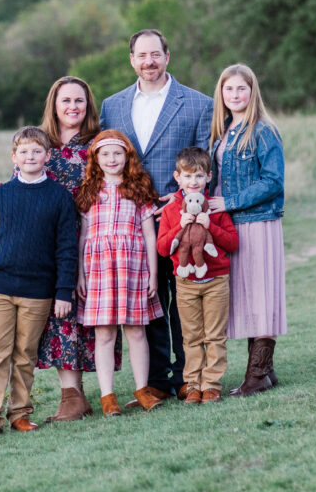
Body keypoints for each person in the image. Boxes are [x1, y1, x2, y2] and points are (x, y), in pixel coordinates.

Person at [0, 76, 121, 423]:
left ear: (88, 105)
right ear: (54, 105)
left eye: (79, 100)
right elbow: (20, 185)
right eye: (66, 101)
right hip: (45, 246)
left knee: (90, 314)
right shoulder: (41, 144)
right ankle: (71, 394)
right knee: (60, 318)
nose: (73, 107)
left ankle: (98, 392)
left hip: (92, 238)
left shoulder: (98, 144)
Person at [99, 29, 213, 403]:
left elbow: (207, 164)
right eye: (141, 55)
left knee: (184, 301)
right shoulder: (112, 106)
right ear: (132, 59)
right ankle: (156, 381)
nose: (149, 61)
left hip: (181, 219)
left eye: (155, 54)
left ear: (167, 56)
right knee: (147, 303)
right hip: (131, 224)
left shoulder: (198, 104)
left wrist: (182, 200)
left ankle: (188, 376)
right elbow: (99, 160)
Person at [0, 126, 79, 439]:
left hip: (38, 291)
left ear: (47, 156)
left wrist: (63, 291)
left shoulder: (59, 197)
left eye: (36, 151)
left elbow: (66, 249)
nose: (30, 156)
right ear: (14, 157)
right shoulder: (2, 194)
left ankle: (20, 413)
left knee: (25, 354)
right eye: (24, 151)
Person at [206, 64, 286, 397]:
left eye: (242, 88)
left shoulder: (263, 131)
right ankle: (265, 371)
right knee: (246, 294)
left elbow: (273, 181)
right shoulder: (222, 132)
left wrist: (229, 202)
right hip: (231, 225)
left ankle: (257, 375)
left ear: (252, 92)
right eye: (229, 89)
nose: (235, 95)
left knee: (261, 293)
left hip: (257, 221)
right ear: (221, 94)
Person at [74, 130, 164, 415]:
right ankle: (107, 396)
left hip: (132, 267)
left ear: (128, 157)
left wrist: (153, 274)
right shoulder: (89, 190)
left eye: (117, 153)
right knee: (104, 334)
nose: (111, 159)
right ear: (96, 158)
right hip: (98, 269)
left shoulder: (138, 188)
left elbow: (149, 235)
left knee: (136, 331)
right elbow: (82, 237)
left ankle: (142, 389)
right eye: (105, 154)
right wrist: (80, 275)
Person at [156, 147, 239, 404]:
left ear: (209, 177)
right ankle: (192, 384)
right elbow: (162, 249)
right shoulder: (171, 210)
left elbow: (233, 243)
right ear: (177, 177)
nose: (194, 182)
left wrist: (210, 225)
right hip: (185, 283)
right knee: (191, 337)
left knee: (214, 336)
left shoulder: (215, 208)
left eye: (200, 176)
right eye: (188, 176)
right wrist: (177, 228)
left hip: (216, 281)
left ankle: (211, 384)